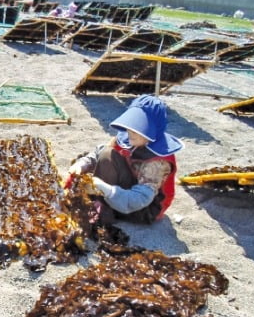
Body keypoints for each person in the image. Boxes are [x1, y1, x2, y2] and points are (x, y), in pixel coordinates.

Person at [65, 95, 184, 225]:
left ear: (152, 131)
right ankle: (103, 200)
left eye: (139, 129)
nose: (131, 133)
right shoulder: (129, 137)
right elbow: (100, 153)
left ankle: (104, 209)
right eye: (131, 126)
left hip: (144, 207)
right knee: (107, 154)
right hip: (126, 187)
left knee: (102, 186)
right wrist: (82, 164)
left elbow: (140, 199)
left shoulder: (158, 162)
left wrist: (106, 189)